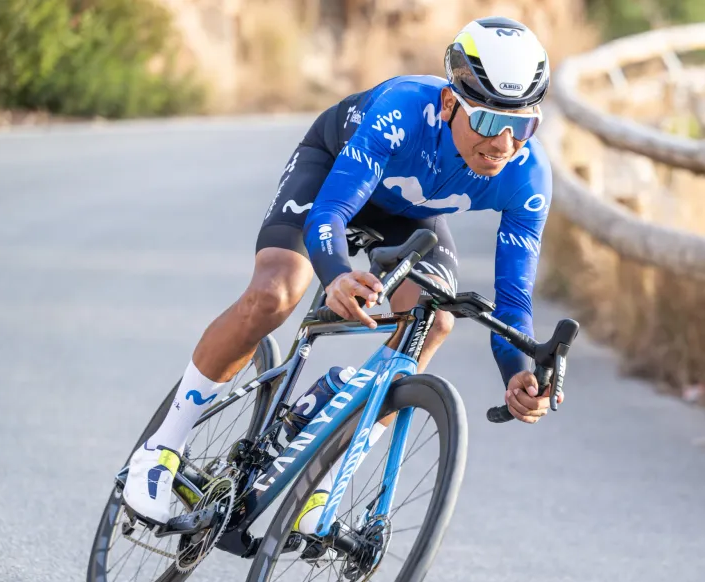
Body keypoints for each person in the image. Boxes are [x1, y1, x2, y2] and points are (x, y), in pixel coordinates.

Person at [123, 16, 563, 527]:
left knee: (433, 322)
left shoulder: (528, 174)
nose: (504, 143)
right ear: (449, 104)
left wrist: (519, 374)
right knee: (277, 291)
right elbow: (329, 214)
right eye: (488, 121)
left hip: (409, 213)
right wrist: (334, 274)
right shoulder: (404, 112)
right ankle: (160, 449)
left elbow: (513, 300)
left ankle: (325, 484)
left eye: (522, 125)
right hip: (334, 171)